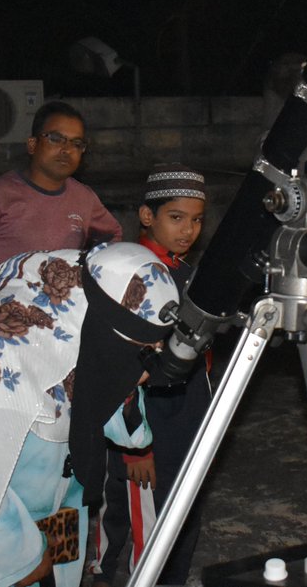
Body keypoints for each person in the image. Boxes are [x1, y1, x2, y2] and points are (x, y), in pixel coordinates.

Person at [0, 241, 181, 587]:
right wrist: (25, 561)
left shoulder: (81, 316)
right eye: (143, 352)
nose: (151, 364)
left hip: (55, 508)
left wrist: (127, 382)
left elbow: (108, 406)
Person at [89, 165, 212, 587]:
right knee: (145, 521)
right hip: (146, 427)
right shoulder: (132, 277)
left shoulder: (185, 272)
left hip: (185, 417)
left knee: (182, 510)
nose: (188, 230)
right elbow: (117, 367)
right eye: (176, 217)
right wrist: (134, 450)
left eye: (196, 220)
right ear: (147, 216)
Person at [0, 100, 123, 299]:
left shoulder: (84, 198)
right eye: (56, 139)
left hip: (62, 310)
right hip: (6, 310)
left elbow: (112, 236)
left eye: (76, 143)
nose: (66, 149)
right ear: (32, 145)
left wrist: (87, 275)